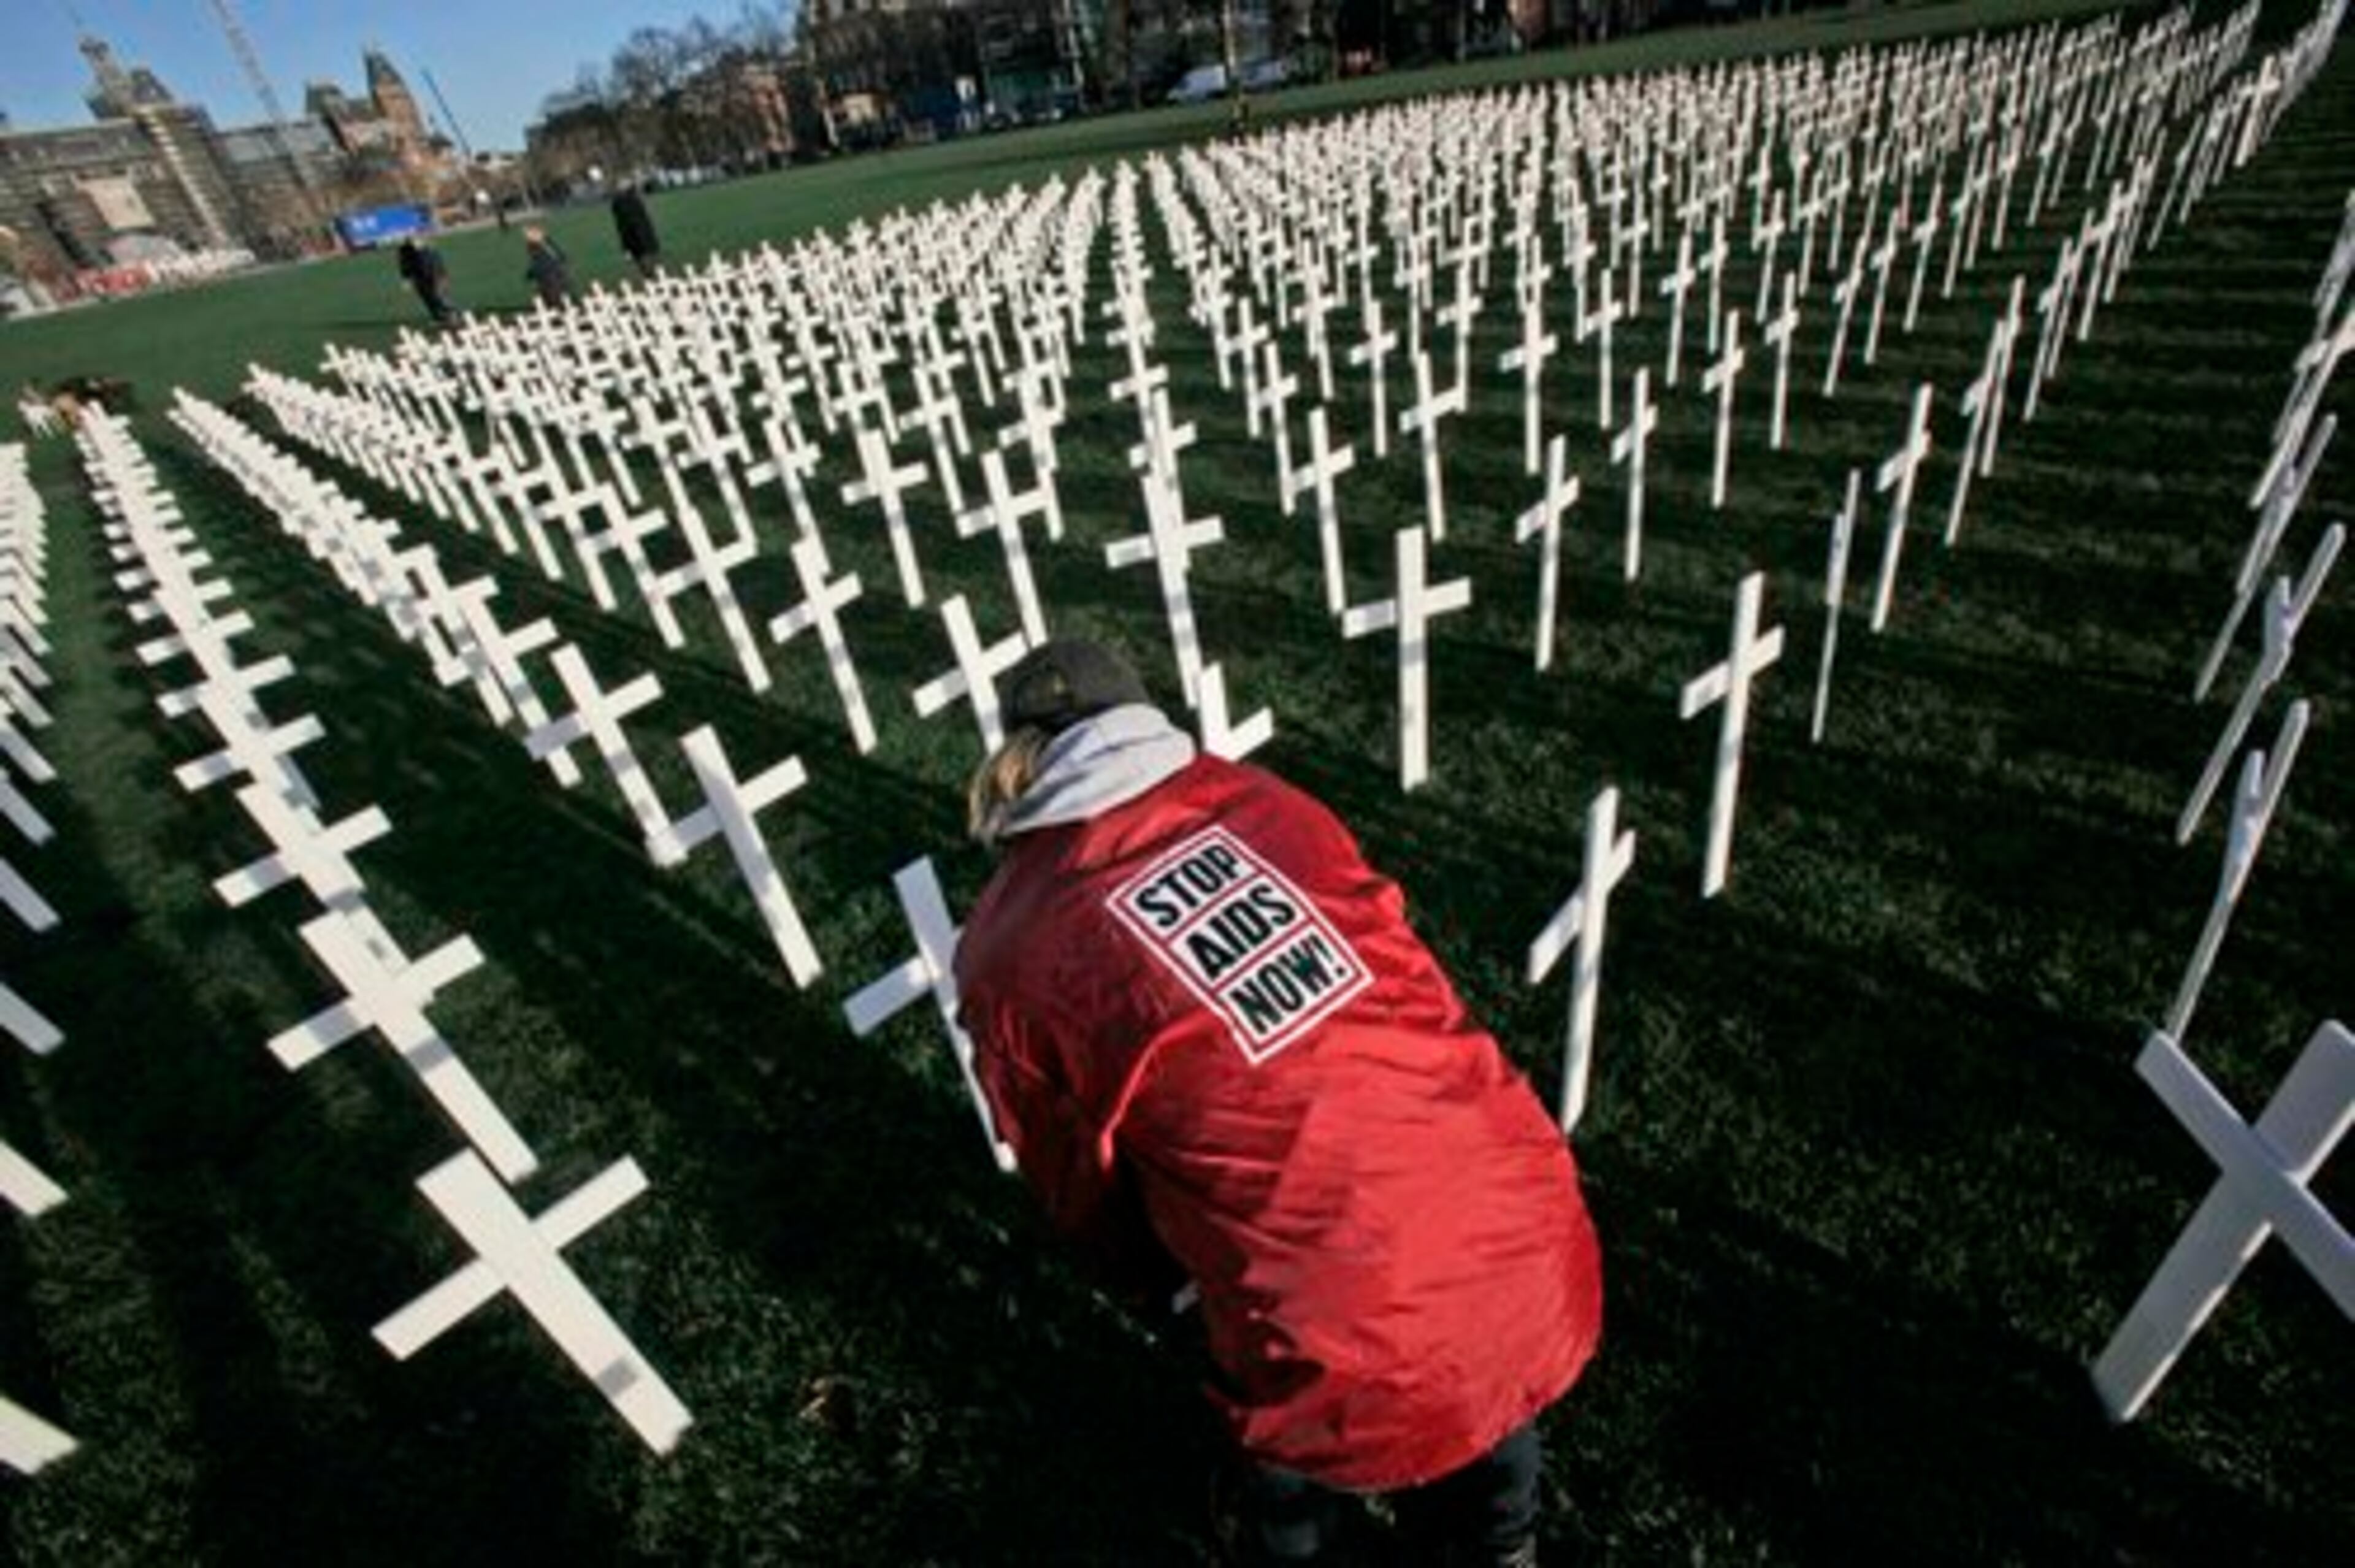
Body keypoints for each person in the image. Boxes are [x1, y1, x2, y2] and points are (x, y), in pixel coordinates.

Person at [955, 640, 1604, 1567]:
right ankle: (1500, 1543)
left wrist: (1173, 1289)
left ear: (1019, 755)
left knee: (1310, 1362)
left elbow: (1079, 1185)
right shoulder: (1270, 802)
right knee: (1468, 1352)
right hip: (1526, 1214)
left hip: (1330, 1319)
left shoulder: (1007, 945)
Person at [394, 235, 455, 324]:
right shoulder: (404, 250)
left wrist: (441, 276)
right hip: (419, 277)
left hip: (435, 275)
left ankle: (452, 314)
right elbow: (404, 265)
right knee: (427, 298)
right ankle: (438, 318)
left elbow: (437, 262)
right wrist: (406, 279)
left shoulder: (429, 247)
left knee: (439, 296)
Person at [610, 183, 661, 278]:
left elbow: (622, 224)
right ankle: (651, 272)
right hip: (638, 232)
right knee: (647, 254)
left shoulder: (621, 203)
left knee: (644, 256)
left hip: (633, 233)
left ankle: (650, 272)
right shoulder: (632, 200)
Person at [521, 226, 572, 308]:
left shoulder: (540, 255)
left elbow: (533, 271)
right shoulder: (549, 254)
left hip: (552, 287)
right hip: (556, 285)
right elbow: (562, 257)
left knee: (555, 303)